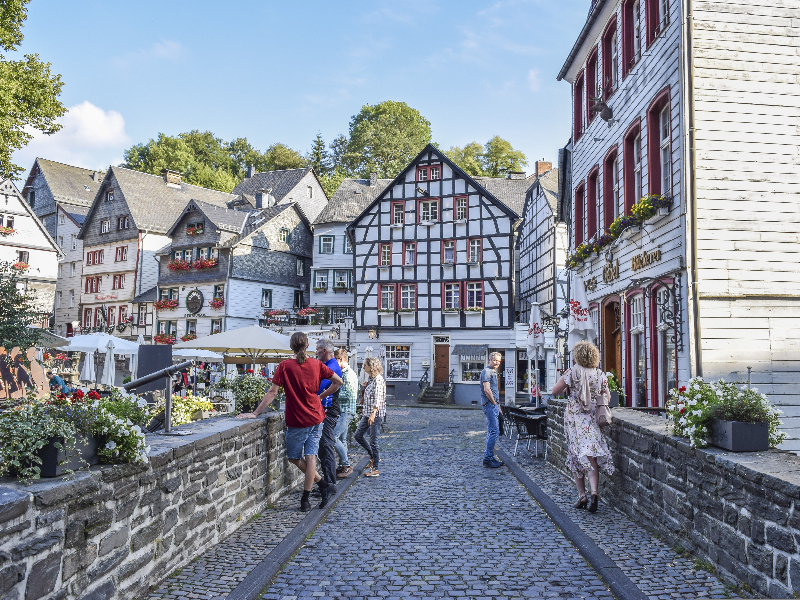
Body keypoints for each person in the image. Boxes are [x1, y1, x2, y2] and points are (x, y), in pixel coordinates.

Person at [238, 332, 342, 512]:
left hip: (298, 419)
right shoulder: (316, 364)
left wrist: (255, 413)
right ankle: (308, 498)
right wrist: (321, 396)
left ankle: (322, 486)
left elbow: (272, 393)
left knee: (294, 457)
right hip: (316, 417)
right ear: (307, 345)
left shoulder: (285, 366)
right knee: (311, 457)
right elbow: (338, 381)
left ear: (291, 346)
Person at [551, 340, 614, 514]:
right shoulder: (600, 374)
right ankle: (594, 492)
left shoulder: (572, 372)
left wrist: (569, 389)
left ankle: (582, 495)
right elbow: (607, 397)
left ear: (578, 356)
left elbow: (555, 391)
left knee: (576, 455)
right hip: (592, 418)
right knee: (591, 454)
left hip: (574, 418)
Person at [315, 339, 342, 494]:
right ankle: (328, 483)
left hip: (328, 411)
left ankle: (330, 484)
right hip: (326, 410)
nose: (315, 352)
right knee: (323, 448)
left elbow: (317, 388)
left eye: (317, 349)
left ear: (324, 350)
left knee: (326, 446)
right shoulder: (327, 366)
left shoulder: (331, 367)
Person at [354, 357, 386, 477]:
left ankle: (375, 468)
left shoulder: (378, 380)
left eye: (365, 365)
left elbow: (378, 398)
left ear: (371, 366)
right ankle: (372, 456)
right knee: (358, 435)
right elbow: (369, 396)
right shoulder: (371, 379)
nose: (363, 367)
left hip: (375, 415)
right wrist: (365, 387)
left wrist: (373, 413)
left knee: (374, 441)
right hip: (367, 413)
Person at [333, 348, 358, 479]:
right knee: (342, 440)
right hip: (344, 410)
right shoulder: (347, 373)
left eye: (335, 361)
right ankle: (342, 466)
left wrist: (332, 392)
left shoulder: (347, 374)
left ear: (341, 359)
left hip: (345, 410)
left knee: (333, 437)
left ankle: (347, 465)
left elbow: (347, 394)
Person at [480, 352, 504, 468]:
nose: (497, 363)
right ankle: (488, 459)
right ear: (490, 359)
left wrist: (498, 406)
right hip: (489, 405)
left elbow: (494, 391)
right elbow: (487, 390)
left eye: (499, 361)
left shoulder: (493, 372)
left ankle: (489, 457)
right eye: (495, 360)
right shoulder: (487, 371)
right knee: (494, 432)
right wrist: (494, 403)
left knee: (492, 432)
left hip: (493, 406)